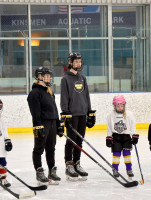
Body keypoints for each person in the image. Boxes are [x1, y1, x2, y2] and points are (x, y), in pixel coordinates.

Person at [60, 52, 96, 181]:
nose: (78, 64)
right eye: (76, 62)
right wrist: (65, 113)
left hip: (82, 114)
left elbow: (86, 96)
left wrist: (90, 112)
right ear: (70, 63)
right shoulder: (65, 79)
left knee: (80, 140)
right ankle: (69, 164)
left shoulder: (82, 78)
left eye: (79, 62)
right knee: (71, 140)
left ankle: (77, 163)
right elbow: (64, 98)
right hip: (72, 114)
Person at [27, 66, 64, 186]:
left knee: (51, 148)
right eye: (46, 76)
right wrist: (38, 126)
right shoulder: (34, 93)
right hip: (42, 124)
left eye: (49, 76)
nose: (49, 78)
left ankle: (51, 171)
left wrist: (58, 125)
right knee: (39, 149)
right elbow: (35, 113)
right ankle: (39, 171)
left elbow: (54, 110)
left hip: (52, 123)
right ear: (39, 77)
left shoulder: (49, 91)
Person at [106, 95, 138, 179]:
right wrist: (109, 137)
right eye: (118, 106)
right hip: (116, 137)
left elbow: (132, 126)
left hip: (126, 137)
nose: (120, 108)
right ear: (114, 106)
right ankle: (115, 170)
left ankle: (129, 169)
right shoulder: (111, 115)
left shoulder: (129, 114)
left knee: (127, 154)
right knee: (116, 154)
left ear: (124, 105)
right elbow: (109, 127)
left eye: (121, 106)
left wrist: (134, 135)